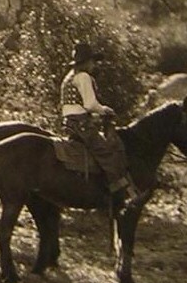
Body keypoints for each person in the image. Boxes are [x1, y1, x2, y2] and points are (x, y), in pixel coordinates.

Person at [60, 42, 143, 214]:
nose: (94, 65)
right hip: (82, 124)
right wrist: (104, 109)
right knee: (107, 152)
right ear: (86, 62)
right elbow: (90, 104)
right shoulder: (83, 77)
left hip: (69, 123)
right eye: (92, 61)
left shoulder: (68, 77)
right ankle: (121, 193)